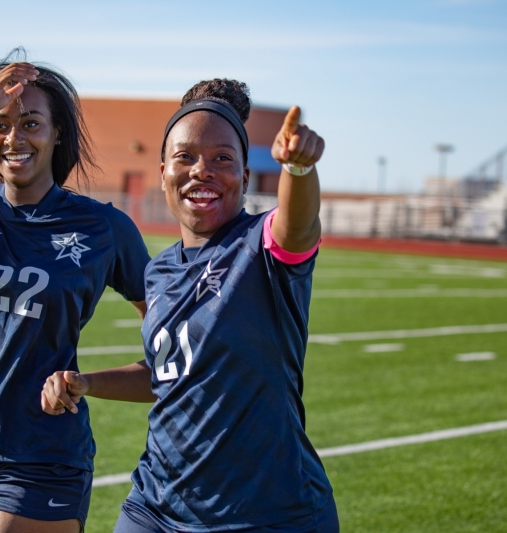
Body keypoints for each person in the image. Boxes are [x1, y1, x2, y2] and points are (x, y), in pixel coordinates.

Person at [42, 78, 338, 532]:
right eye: (186, 157)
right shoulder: (158, 271)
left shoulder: (262, 245)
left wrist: (298, 170)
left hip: (267, 513)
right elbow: (168, 373)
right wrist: (87, 382)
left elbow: (297, 226)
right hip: (156, 504)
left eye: (223, 158)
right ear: (162, 172)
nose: (202, 170)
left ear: (244, 174)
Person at [0, 50, 150, 533]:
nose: (13, 138)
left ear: (58, 133)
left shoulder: (104, 227)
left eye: (31, 123)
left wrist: (93, 382)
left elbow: (172, 342)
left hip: (44, 447)